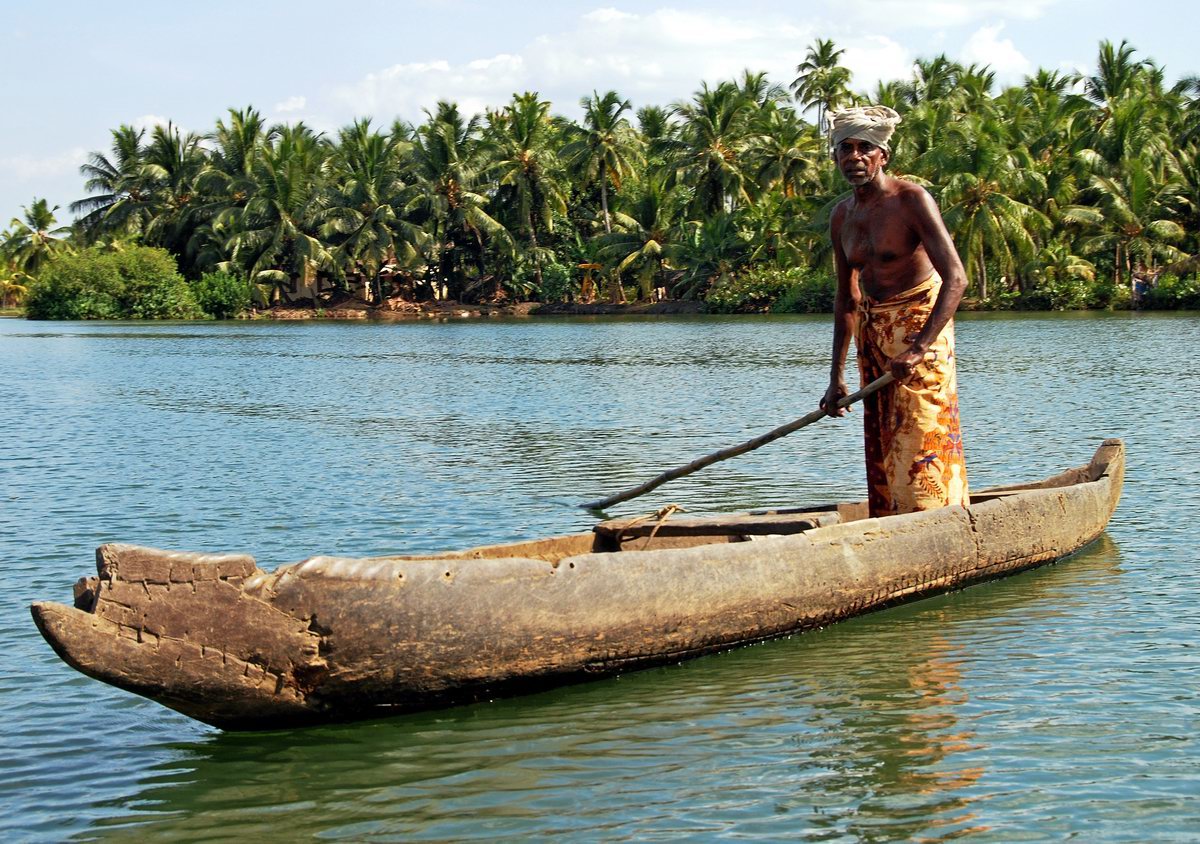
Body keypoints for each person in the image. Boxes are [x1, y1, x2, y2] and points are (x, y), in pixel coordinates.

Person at [821, 105, 970, 517]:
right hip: (874, 332)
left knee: (923, 429)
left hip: (921, 328)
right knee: (885, 433)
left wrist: (919, 348)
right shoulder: (841, 216)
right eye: (844, 149)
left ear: (882, 155)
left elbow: (956, 279)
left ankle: (940, 518)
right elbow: (846, 297)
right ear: (835, 158)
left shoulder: (911, 200)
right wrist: (836, 379)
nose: (854, 157)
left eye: (864, 148)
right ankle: (894, 522)